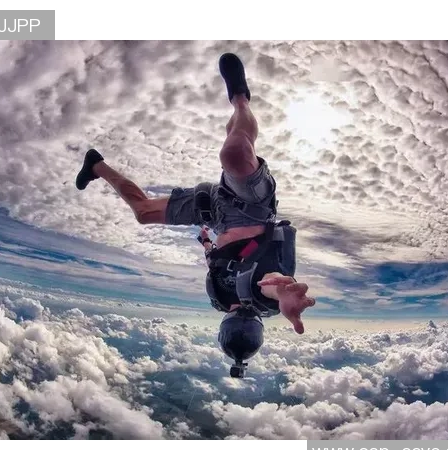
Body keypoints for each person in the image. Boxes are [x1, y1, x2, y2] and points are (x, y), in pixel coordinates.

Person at [75, 53, 315, 377]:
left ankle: (96, 165)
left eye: (236, 318)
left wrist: (206, 242)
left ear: (226, 322)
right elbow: (272, 283)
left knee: (143, 212)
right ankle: (240, 98)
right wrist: (285, 292)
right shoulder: (266, 301)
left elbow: (221, 263)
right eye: (246, 319)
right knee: (235, 154)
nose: (241, 312)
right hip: (251, 209)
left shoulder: (220, 298)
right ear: (255, 323)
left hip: (214, 216)